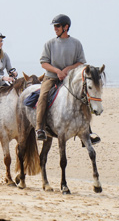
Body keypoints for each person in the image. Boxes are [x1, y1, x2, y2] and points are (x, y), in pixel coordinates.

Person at [35, 14, 101, 146]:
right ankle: (39, 128)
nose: (55, 28)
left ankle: (87, 132)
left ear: (66, 27)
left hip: (70, 79)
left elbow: (81, 62)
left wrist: (68, 69)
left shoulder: (76, 43)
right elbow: (43, 63)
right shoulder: (50, 44)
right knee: (43, 96)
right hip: (52, 77)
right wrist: (58, 71)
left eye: (58, 26)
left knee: (84, 98)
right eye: (54, 26)